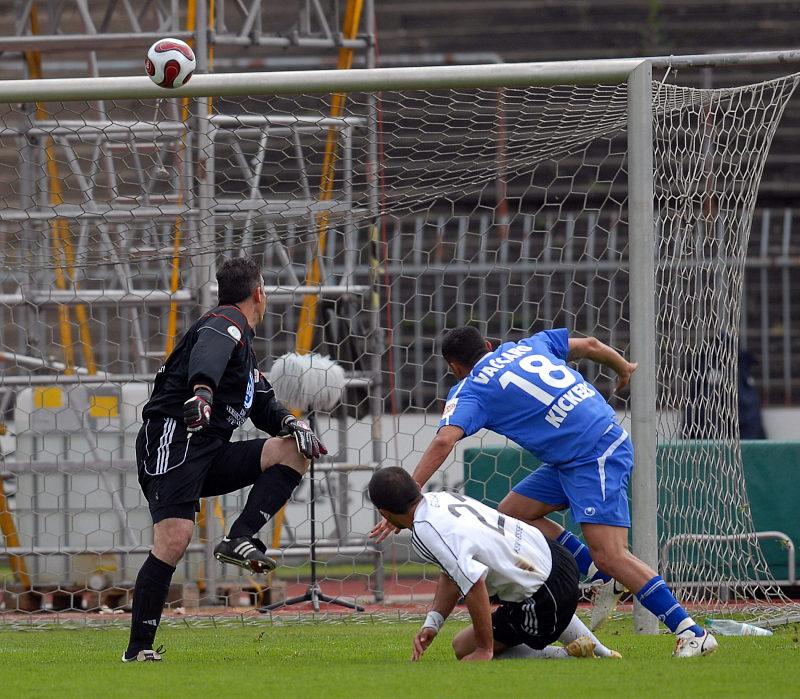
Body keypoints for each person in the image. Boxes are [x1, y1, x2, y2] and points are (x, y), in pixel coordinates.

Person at [372, 325, 717, 658]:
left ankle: (691, 632)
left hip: (593, 453)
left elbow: (445, 439)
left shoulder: (471, 388)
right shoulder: (525, 346)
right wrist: (623, 367)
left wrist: (410, 491)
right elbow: (592, 346)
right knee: (512, 514)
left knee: (612, 554)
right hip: (577, 452)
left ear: (454, 368)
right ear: (489, 346)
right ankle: (603, 578)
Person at [122, 257, 326, 662]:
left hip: (209, 450)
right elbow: (208, 357)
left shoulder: (243, 348)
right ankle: (138, 649)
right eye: (265, 288)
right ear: (258, 292)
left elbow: (263, 403)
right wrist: (201, 392)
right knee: (174, 538)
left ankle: (239, 537)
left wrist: (290, 422)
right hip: (174, 439)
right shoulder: (225, 322)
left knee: (292, 449)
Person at [368, 466, 621, 662]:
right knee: (525, 592)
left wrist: (483, 649)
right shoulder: (439, 498)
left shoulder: (425, 531)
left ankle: (567, 656)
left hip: (544, 594)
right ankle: (602, 652)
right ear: (415, 486)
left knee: (463, 646)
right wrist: (432, 623)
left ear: (384, 513)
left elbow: (474, 583)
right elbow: (452, 572)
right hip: (558, 558)